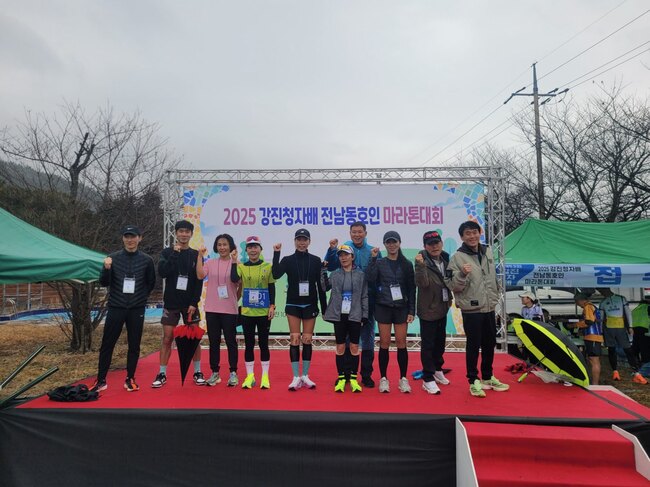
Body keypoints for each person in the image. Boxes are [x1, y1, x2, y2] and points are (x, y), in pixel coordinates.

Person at [91, 225, 156, 392]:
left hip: (136, 309)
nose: (130, 240)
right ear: (123, 239)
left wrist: (140, 298)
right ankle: (101, 380)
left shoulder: (147, 260)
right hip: (116, 307)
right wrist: (106, 269)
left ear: (139, 238)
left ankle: (130, 378)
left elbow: (151, 283)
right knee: (107, 344)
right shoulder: (112, 258)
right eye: (127, 236)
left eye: (133, 236)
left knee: (134, 345)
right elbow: (104, 282)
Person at [448, 221, 509, 398]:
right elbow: (452, 285)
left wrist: (495, 295)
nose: (472, 236)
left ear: (479, 233)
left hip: (489, 306)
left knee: (489, 343)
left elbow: (491, 277)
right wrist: (462, 274)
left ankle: (488, 377)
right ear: (462, 237)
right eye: (468, 233)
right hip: (472, 308)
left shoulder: (487, 251)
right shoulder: (457, 258)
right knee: (473, 345)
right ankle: (473, 380)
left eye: (474, 232)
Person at [323, 222, 381, 387]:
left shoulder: (373, 251)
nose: (357, 235)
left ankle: (366, 375)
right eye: (354, 232)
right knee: (347, 340)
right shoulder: (345, 248)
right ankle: (346, 374)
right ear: (350, 233)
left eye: (360, 232)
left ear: (365, 233)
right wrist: (331, 249)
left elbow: (377, 274)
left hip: (366, 301)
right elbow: (330, 266)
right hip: (345, 305)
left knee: (368, 339)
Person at [272, 228, 327, 390]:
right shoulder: (288, 260)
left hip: (310, 305)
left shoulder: (316, 261)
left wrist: (324, 308)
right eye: (299, 239)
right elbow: (275, 274)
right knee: (295, 338)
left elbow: (320, 286)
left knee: (307, 339)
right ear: (295, 241)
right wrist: (276, 253)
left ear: (309, 241)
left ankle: (305, 375)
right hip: (293, 305)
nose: (302, 243)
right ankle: (296, 376)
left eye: (304, 240)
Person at [153, 220, 205, 388]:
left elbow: (199, 280)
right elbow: (163, 272)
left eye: (187, 231)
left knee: (194, 338)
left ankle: (197, 371)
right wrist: (175, 255)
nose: (184, 234)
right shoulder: (167, 252)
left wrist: (194, 302)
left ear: (191, 234)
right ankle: (162, 373)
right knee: (167, 338)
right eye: (181, 231)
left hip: (190, 304)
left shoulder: (196, 254)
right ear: (176, 233)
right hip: (171, 303)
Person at [366, 231, 416, 394]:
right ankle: (383, 379)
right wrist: (373, 259)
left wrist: (411, 310)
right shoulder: (380, 262)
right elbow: (370, 279)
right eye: (388, 242)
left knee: (401, 343)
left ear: (399, 243)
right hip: (383, 306)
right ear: (385, 245)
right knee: (384, 343)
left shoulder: (407, 264)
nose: (392, 245)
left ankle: (403, 378)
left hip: (401, 307)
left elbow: (411, 288)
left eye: (394, 242)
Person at [230, 236, 276, 389]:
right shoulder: (241, 267)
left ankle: (265, 376)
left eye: (256, 247)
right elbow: (234, 278)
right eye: (250, 247)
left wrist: (272, 306)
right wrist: (234, 260)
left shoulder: (268, 266)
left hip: (263, 313)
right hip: (247, 313)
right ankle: (250, 376)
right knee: (249, 344)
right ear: (246, 250)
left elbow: (271, 287)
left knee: (263, 344)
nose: (253, 250)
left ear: (260, 249)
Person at [323, 244, 368, 393]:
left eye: (346, 255)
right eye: (341, 255)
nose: (343, 258)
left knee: (354, 347)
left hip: (355, 314)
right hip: (339, 315)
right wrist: (323, 270)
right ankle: (341, 378)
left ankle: (354, 379)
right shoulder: (335, 274)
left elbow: (364, 296)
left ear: (352, 257)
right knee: (340, 347)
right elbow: (324, 287)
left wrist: (365, 315)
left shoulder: (360, 274)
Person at [197, 234, 240, 387]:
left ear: (231, 246)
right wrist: (200, 257)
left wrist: (234, 299)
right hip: (212, 308)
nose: (222, 247)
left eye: (225, 244)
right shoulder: (210, 262)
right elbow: (200, 275)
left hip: (229, 310)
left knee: (231, 342)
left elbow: (238, 282)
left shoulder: (237, 263)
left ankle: (233, 372)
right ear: (216, 247)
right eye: (219, 245)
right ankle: (215, 372)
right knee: (213, 342)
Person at [415, 230, 452, 395]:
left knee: (440, 342)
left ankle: (437, 369)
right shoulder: (421, 260)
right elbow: (422, 283)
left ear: (441, 243)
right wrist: (420, 266)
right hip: (428, 309)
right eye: (430, 244)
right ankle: (428, 377)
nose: (434, 246)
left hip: (443, 307)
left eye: (436, 243)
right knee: (428, 345)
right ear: (425, 246)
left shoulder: (446, 258)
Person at [598, 288, 647, 384]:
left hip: (621, 328)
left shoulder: (621, 298)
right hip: (609, 329)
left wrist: (630, 326)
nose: (601, 292)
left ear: (607, 289)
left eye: (601, 290)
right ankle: (615, 372)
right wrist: (601, 332)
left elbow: (628, 312)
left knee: (628, 349)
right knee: (611, 350)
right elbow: (601, 318)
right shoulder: (603, 302)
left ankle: (636, 373)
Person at [574, 292, 604, 385]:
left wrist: (576, 325)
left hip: (593, 336)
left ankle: (595, 383)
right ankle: (594, 382)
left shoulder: (588, 307)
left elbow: (589, 321)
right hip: (592, 336)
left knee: (594, 360)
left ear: (581, 300)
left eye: (576, 302)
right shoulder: (591, 307)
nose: (577, 304)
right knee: (592, 360)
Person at [631, 296, 650, 365]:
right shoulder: (648, 307)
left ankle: (635, 362)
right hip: (645, 328)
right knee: (645, 347)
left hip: (635, 329)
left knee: (636, 345)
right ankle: (645, 363)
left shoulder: (634, 310)